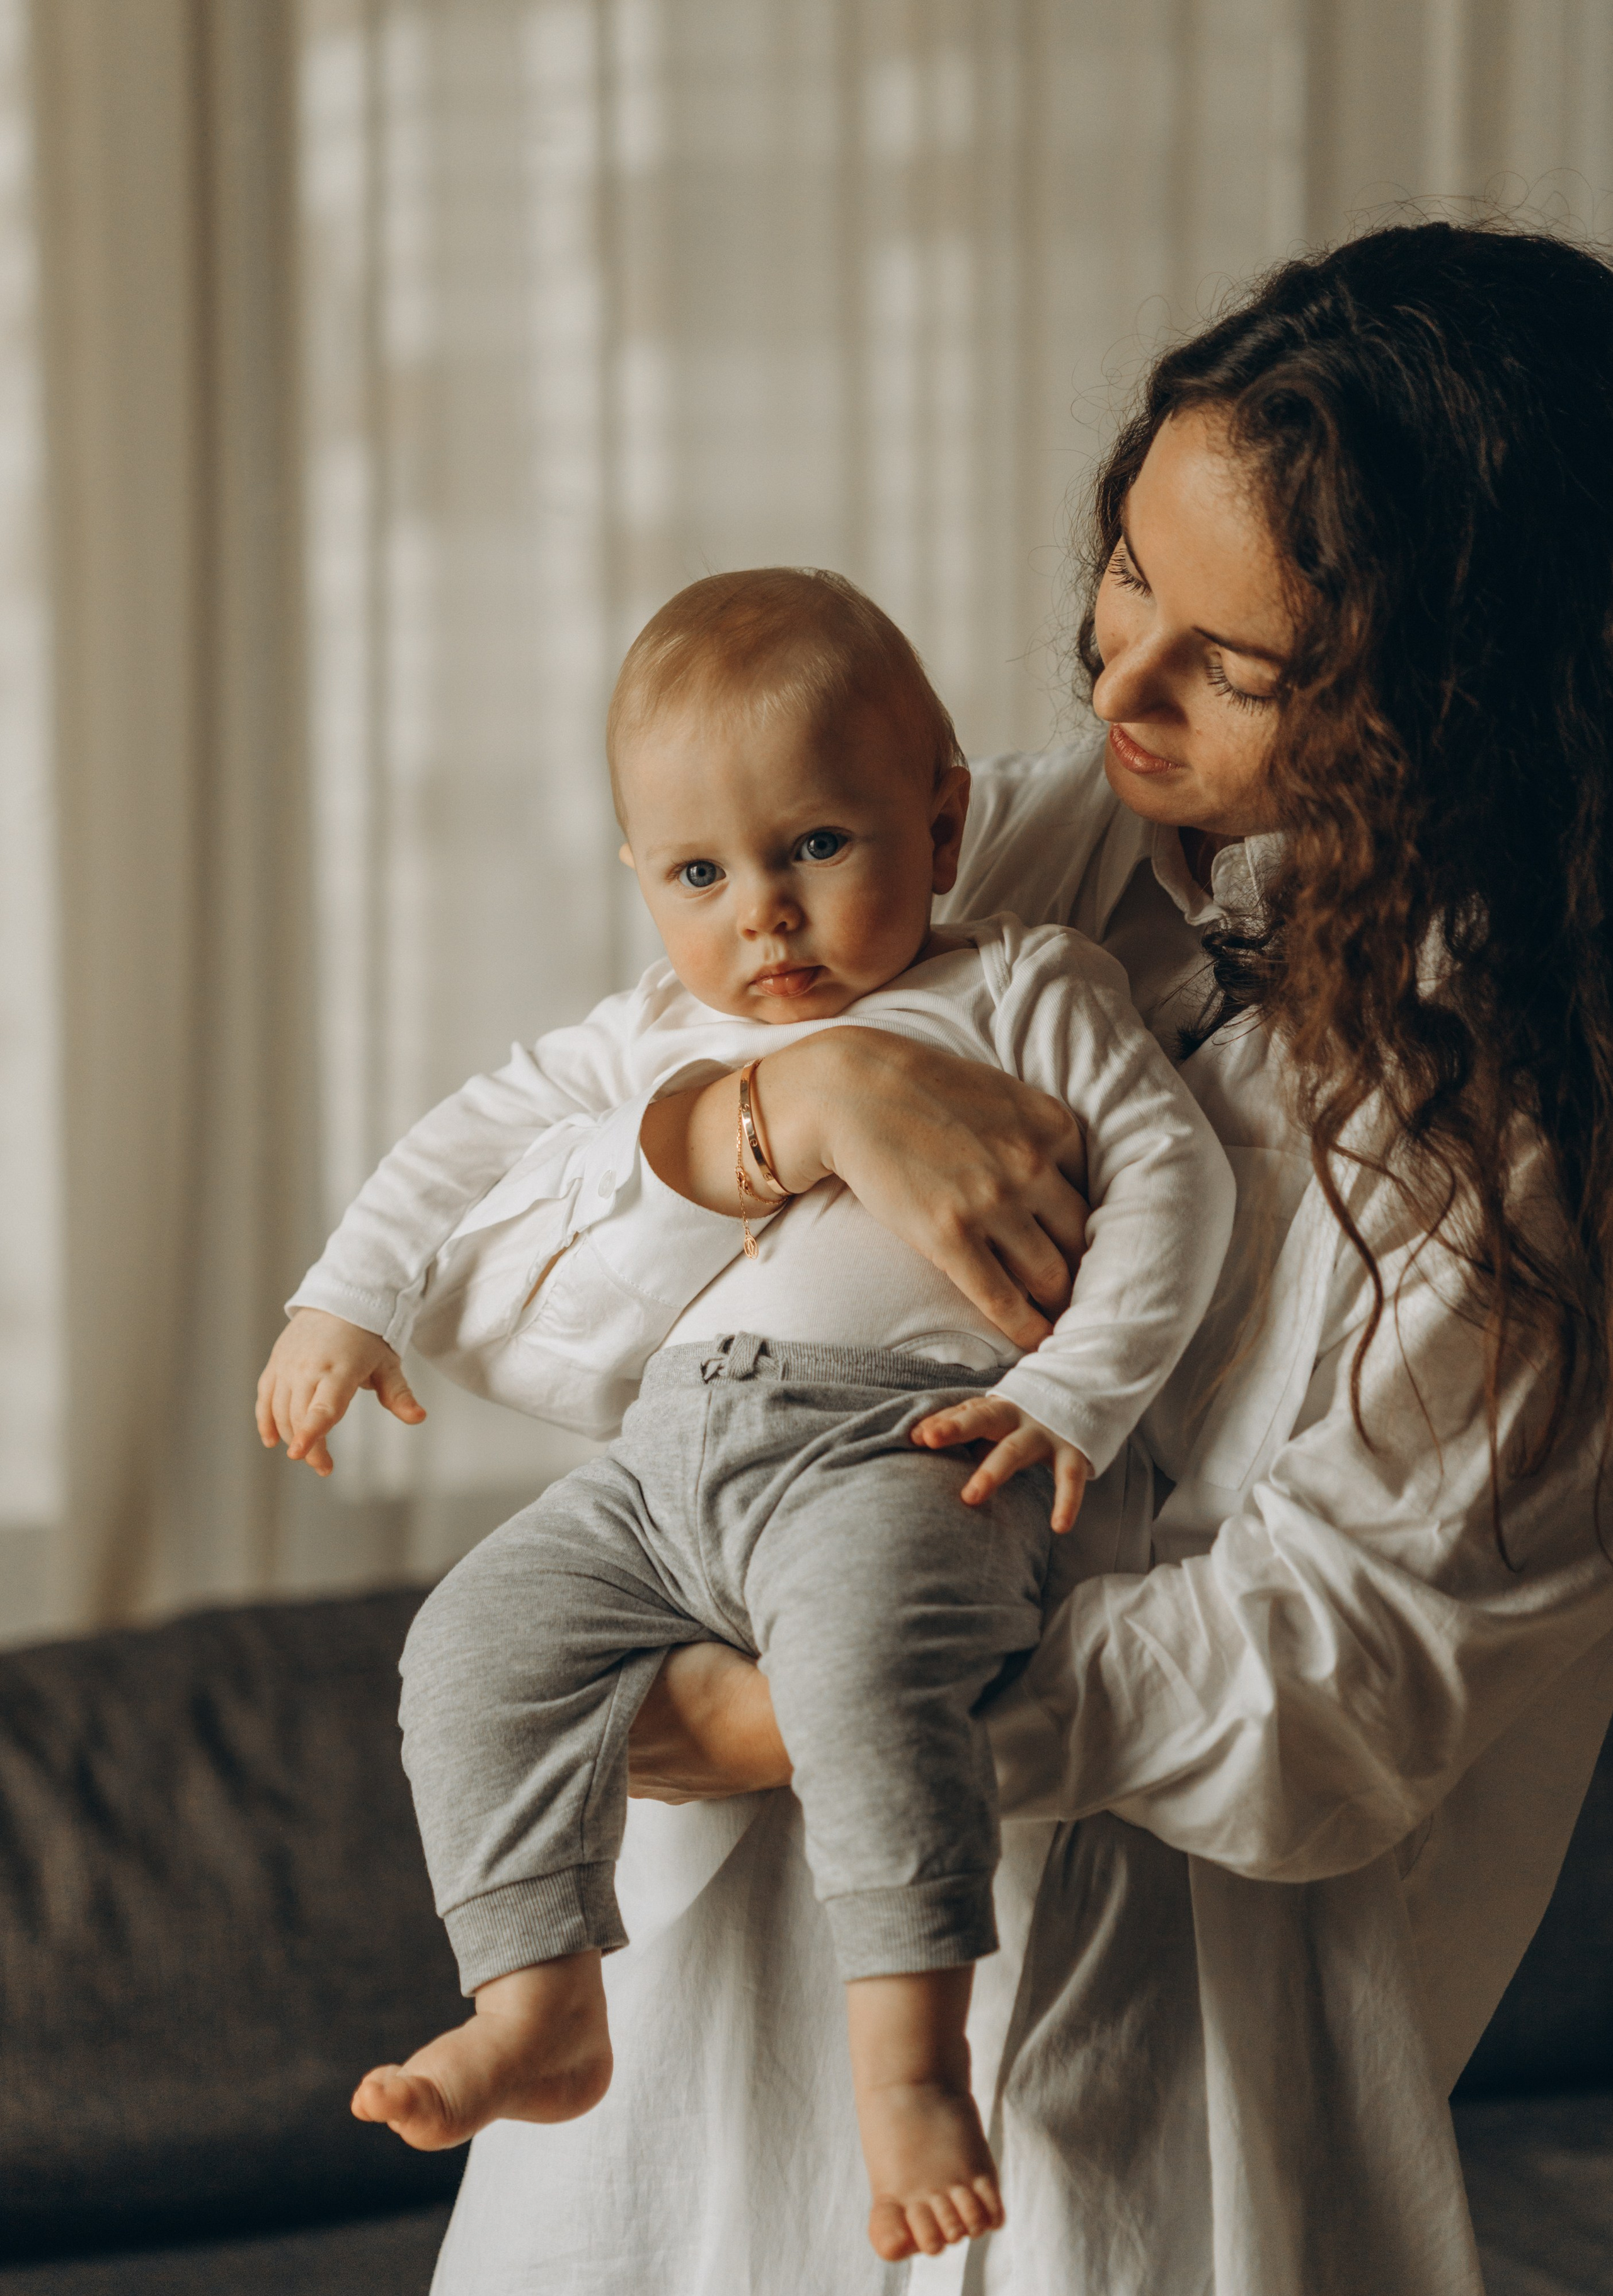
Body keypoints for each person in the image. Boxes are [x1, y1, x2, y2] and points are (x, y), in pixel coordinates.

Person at [267, 221, 1613, 2295]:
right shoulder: (981, 857)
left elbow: (1346, 1687)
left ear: (1462, 706)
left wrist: (800, 1716)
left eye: (1233, 666)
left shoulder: (1527, 1130)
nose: (1118, 680)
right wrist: (768, 1121)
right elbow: (511, 1304)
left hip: (1151, 2098)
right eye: (1129, 577)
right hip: (709, 2036)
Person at [260, 568, 1235, 2261]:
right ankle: (539, 1993)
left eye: (817, 848)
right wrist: (343, 1298)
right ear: (643, 881)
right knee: (472, 1637)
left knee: (862, 1668)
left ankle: (912, 2065)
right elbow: (466, 1140)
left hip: (908, 1444)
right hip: (669, 1462)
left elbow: (1173, 1178)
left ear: (941, 820)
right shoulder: (660, 1033)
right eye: (702, 875)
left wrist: (1074, 1388)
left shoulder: (1026, 979)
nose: (762, 919)